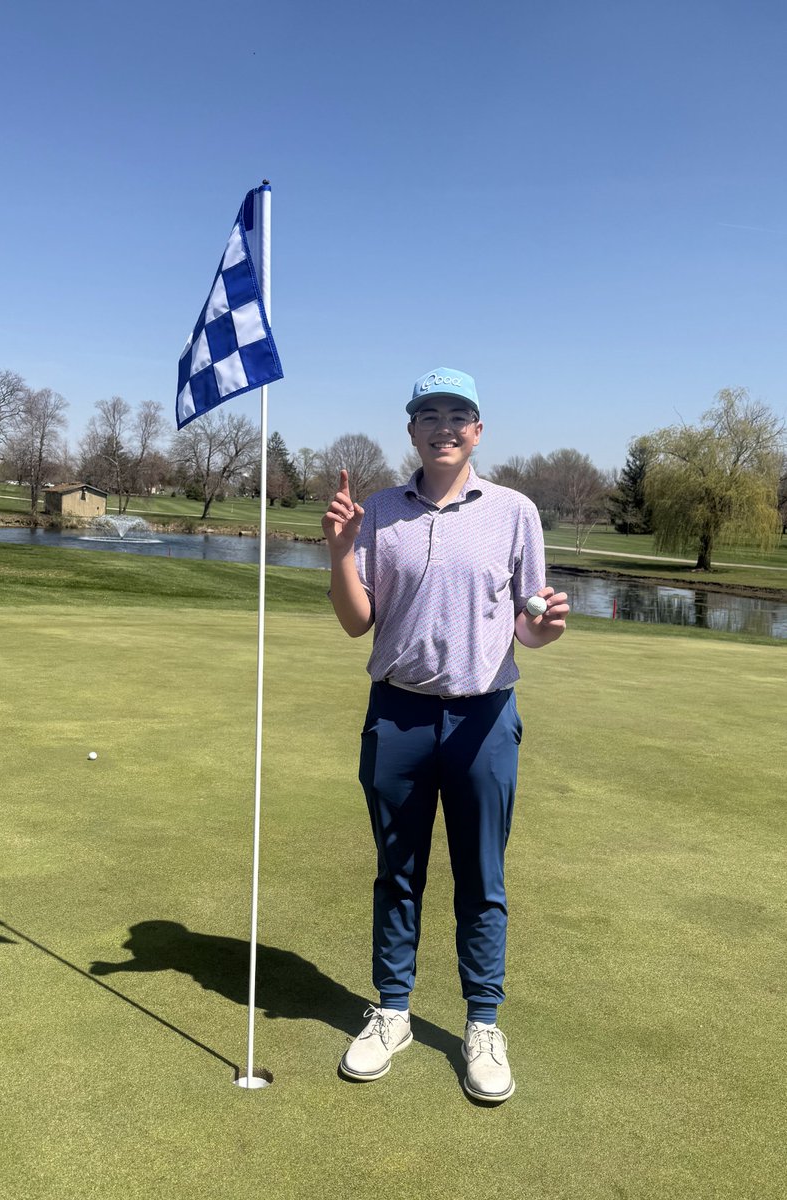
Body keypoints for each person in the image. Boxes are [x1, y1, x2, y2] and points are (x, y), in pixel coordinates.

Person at [321, 367, 568, 1102]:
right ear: (411, 431)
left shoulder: (515, 510)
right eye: (429, 414)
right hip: (397, 714)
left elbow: (528, 616)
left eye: (459, 414)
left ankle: (482, 1023)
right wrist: (338, 550)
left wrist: (545, 630)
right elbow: (356, 620)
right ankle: (392, 1011)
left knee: (481, 879)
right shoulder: (377, 512)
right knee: (397, 870)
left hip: (485, 717)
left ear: (478, 430)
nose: (444, 426)